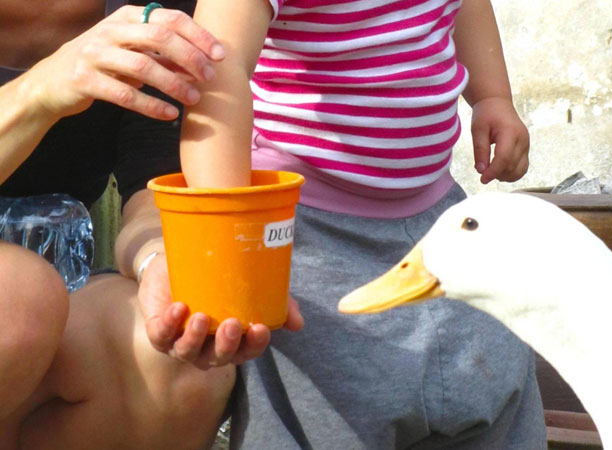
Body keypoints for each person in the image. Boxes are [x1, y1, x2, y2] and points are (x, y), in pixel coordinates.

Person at [156, 0, 548, 448]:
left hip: (437, 210)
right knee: (323, 411)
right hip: (306, 229)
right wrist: (231, 247)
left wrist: (492, 95)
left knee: (494, 380)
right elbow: (216, 71)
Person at [0, 1, 302, 449]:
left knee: (176, 358)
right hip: (21, 303)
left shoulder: (154, 10)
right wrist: (41, 90)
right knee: (19, 299)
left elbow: (150, 187)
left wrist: (162, 262)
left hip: (61, 296)